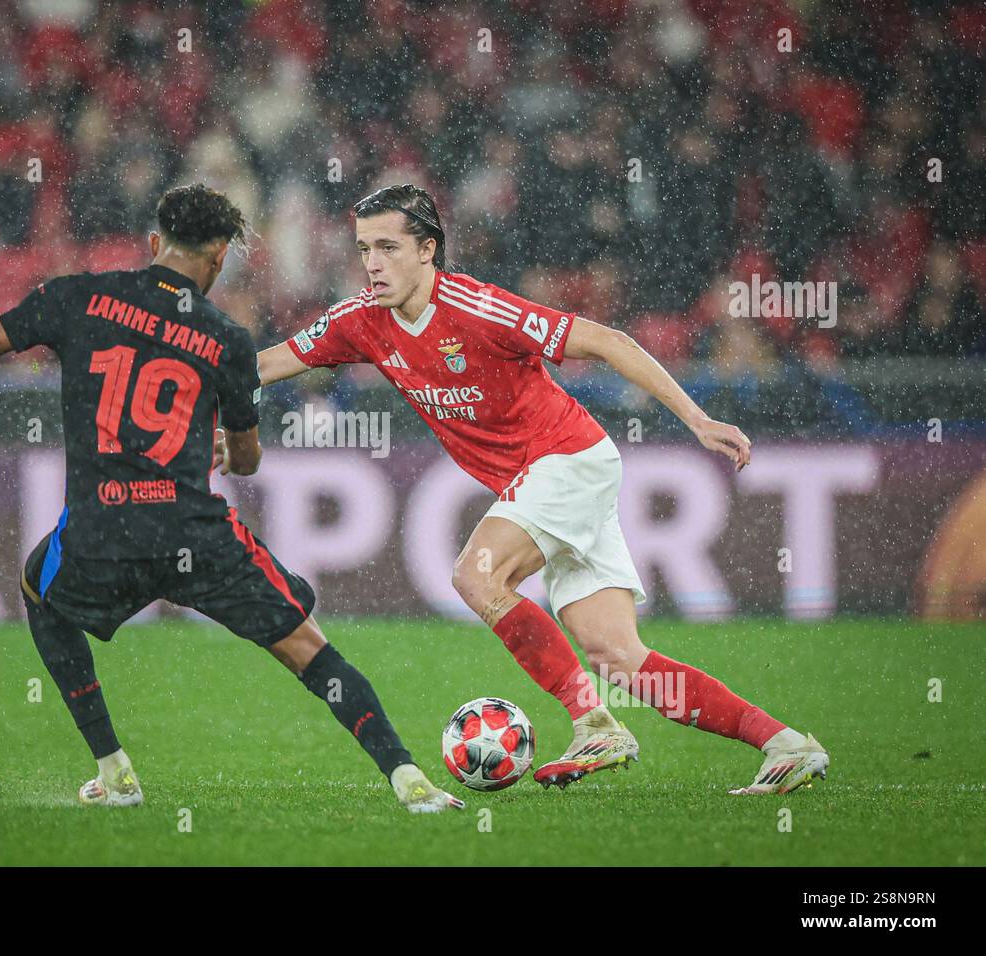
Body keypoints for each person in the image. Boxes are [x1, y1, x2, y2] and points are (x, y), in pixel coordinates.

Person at [0, 183, 463, 813]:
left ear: (155, 241)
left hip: (105, 529)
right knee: (308, 649)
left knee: (39, 588)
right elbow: (245, 458)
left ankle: (113, 769)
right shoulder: (228, 339)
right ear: (216, 260)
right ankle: (409, 780)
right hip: (195, 532)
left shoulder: (77, 298)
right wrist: (222, 450)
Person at [247, 184, 829, 795]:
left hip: (568, 459)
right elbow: (264, 364)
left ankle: (593, 722)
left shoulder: (477, 308)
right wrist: (187, 370)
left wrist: (699, 419)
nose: (372, 263)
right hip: (555, 478)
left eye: (388, 247)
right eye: (364, 248)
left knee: (477, 576)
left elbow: (610, 342)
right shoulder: (361, 321)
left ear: (428, 250)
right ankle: (785, 744)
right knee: (616, 657)